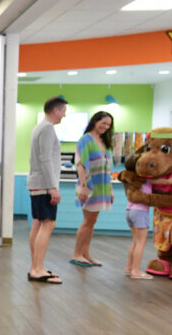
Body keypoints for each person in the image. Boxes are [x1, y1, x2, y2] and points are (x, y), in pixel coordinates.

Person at [27, 96, 67, 284]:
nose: (64, 115)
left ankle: (36, 266)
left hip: (38, 182)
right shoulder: (47, 128)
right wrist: (53, 187)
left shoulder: (39, 127)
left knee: (38, 223)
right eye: (63, 111)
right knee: (47, 224)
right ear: (56, 110)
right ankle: (37, 269)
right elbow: (46, 159)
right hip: (43, 184)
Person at [125, 166, 172, 279]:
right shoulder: (146, 178)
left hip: (129, 210)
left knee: (135, 242)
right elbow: (168, 181)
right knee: (140, 243)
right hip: (140, 212)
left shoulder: (133, 178)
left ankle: (129, 268)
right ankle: (136, 271)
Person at [70, 111, 114, 267]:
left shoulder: (104, 142)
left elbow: (107, 168)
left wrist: (110, 190)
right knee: (88, 221)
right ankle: (76, 254)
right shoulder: (85, 140)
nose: (106, 127)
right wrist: (83, 187)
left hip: (102, 186)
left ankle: (86, 253)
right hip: (88, 185)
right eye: (103, 123)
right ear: (95, 121)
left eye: (108, 125)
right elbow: (81, 165)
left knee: (92, 222)